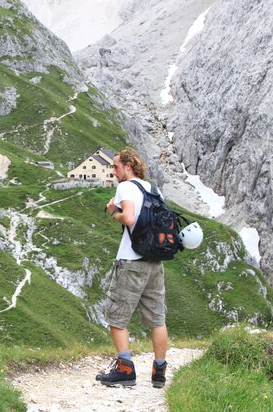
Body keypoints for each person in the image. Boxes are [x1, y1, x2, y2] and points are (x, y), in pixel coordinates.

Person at [96, 148, 168, 388]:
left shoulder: (126, 187)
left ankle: (126, 370)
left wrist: (113, 211)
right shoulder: (154, 190)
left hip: (131, 261)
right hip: (154, 262)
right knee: (157, 319)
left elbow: (128, 218)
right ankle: (159, 372)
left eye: (116, 167)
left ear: (128, 166)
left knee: (118, 317)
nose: (113, 171)